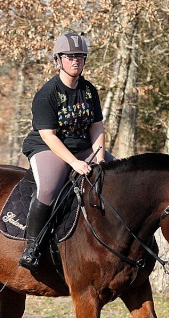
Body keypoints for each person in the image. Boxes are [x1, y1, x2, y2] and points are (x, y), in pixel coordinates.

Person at [19, 32, 114, 270]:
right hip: (48, 147)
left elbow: (97, 126)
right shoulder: (47, 94)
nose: (76, 61)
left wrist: (100, 159)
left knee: (117, 177)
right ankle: (32, 246)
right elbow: (48, 135)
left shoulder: (90, 91)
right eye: (70, 57)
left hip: (83, 147)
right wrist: (74, 163)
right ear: (58, 60)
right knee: (49, 188)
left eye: (80, 57)